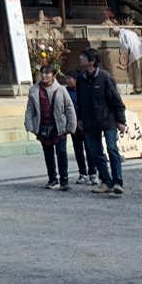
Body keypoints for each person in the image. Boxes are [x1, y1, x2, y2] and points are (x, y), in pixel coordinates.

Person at [76, 48, 127, 195]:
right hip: (90, 121)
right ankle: (106, 181)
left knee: (112, 149)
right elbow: (80, 101)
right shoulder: (81, 79)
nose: (81, 58)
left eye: (84, 56)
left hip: (108, 119)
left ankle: (117, 181)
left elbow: (116, 100)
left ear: (92, 61)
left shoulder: (105, 78)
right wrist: (80, 118)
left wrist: (121, 120)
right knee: (95, 152)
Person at [23, 64, 76, 191]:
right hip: (43, 126)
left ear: (54, 75)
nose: (44, 76)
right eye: (42, 73)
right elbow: (30, 109)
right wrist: (29, 124)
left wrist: (71, 125)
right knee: (48, 154)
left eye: (47, 73)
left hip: (59, 126)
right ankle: (52, 178)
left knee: (61, 152)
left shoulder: (61, 90)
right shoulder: (34, 90)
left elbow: (69, 108)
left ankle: (64, 179)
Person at [63, 72, 93, 184]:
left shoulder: (84, 90)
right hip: (73, 124)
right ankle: (82, 173)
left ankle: (92, 173)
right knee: (78, 150)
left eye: (69, 77)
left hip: (86, 123)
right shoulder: (65, 92)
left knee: (89, 149)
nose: (67, 80)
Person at [118, 19, 142, 94]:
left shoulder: (121, 34)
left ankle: (138, 89)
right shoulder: (130, 32)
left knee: (136, 71)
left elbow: (125, 47)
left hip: (135, 53)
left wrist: (126, 58)